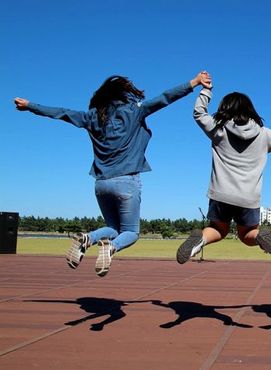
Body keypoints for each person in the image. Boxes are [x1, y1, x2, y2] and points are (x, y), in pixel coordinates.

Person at [14, 71, 206, 276]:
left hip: (101, 184)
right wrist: (194, 82)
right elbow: (165, 98)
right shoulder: (134, 111)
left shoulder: (92, 116)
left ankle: (88, 238)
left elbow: (62, 113)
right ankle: (110, 248)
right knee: (131, 232)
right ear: (124, 94)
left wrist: (30, 106)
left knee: (113, 228)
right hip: (126, 182)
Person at [176, 71, 271, 263]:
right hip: (248, 198)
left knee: (218, 230)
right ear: (250, 110)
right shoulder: (264, 135)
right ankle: (260, 237)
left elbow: (199, 113)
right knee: (247, 234)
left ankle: (200, 240)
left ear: (225, 109)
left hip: (220, 194)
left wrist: (205, 91)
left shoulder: (219, 129)